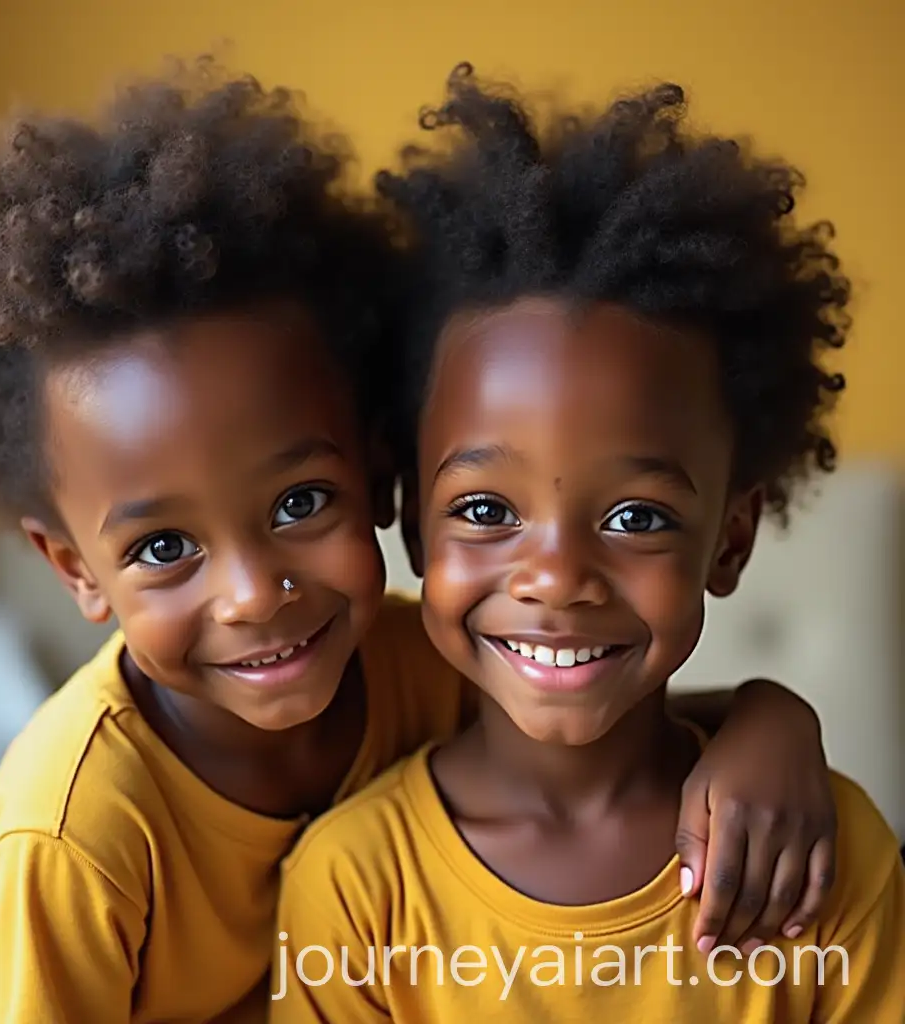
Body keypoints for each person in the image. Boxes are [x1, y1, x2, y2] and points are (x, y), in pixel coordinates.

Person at [0, 59, 837, 1023]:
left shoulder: (413, 663)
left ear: (382, 482)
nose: (254, 593)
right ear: (76, 571)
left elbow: (597, 709)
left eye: (299, 503)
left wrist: (770, 722)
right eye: (165, 548)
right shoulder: (78, 823)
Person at [270, 65, 905, 1021]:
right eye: (486, 511)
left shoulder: (821, 854)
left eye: (636, 517)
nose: (557, 579)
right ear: (406, 515)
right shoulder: (357, 886)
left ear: (730, 541)